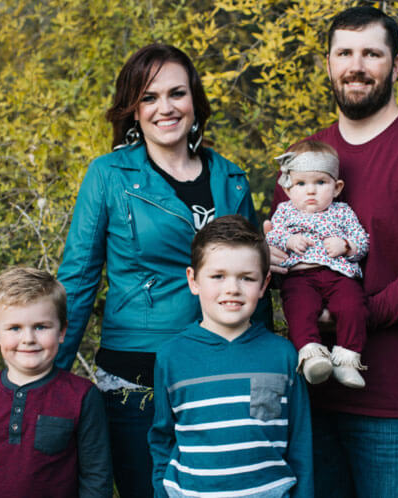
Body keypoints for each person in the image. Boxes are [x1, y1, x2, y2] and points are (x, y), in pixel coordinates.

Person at [267, 6, 398, 497]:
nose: (356, 65)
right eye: (345, 53)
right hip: (310, 396)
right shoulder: (306, 158)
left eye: (371, 53)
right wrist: (268, 263)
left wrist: (352, 316)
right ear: (328, 63)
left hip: (393, 402)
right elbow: (281, 251)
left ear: (396, 65)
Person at [54, 44, 267, 497]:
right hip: (138, 378)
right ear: (132, 110)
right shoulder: (108, 175)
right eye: (149, 98)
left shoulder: (231, 178)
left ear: (195, 101)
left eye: (177, 93)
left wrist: (266, 385)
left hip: (223, 371)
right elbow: (77, 281)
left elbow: (257, 285)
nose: (165, 108)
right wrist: (47, 379)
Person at [148, 215, 313, 497]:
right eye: (218, 276)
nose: (232, 289)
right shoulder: (171, 357)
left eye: (246, 278)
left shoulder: (283, 355)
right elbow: (162, 438)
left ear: (264, 285)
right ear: (193, 280)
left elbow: (300, 443)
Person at [0, 267, 113, 497]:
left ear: (62, 331)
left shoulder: (82, 396)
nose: (28, 339)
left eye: (41, 327)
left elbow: (96, 477)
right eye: (15, 328)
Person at [266, 140, 370, 388]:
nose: (310, 191)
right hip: (300, 277)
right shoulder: (285, 211)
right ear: (290, 189)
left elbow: (362, 241)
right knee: (300, 310)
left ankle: (347, 359)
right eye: (301, 184)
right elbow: (271, 237)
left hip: (338, 275)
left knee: (353, 306)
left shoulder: (343, 212)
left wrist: (345, 246)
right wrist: (288, 239)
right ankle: (312, 356)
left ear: (336, 187)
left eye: (320, 183)